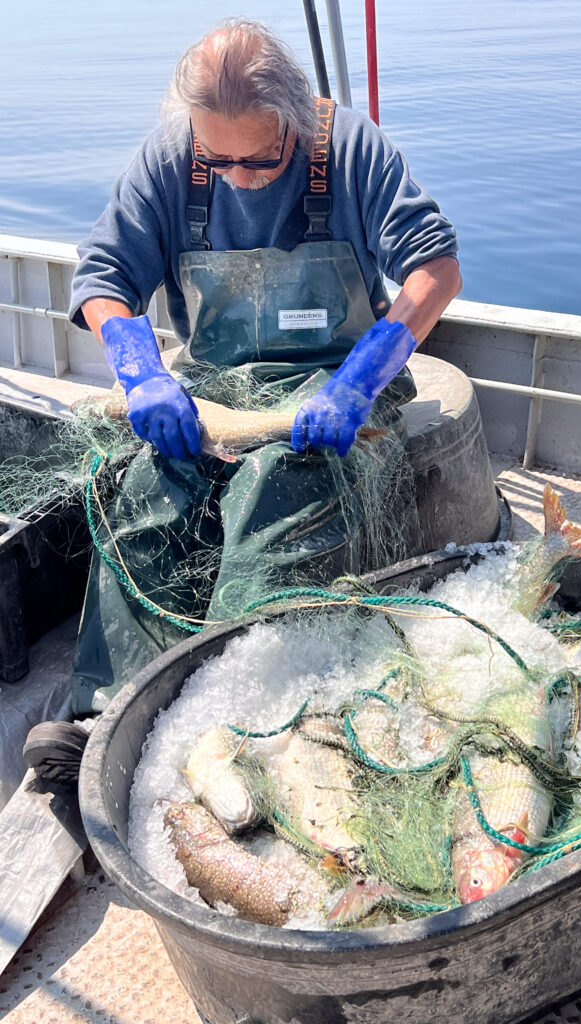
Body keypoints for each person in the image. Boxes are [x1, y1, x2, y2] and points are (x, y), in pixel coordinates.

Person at [24, 17, 461, 774]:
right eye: (217, 162)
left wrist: (358, 383)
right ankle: (108, 719)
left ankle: (233, 724)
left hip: (336, 385)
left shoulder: (351, 151)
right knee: (143, 490)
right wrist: (141, 372)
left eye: (258, 161)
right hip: (214, 386)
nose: (239, 178)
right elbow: (103, 278)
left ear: (294, 121)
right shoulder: (171, 160)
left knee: (273, 490)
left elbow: (436, 269)